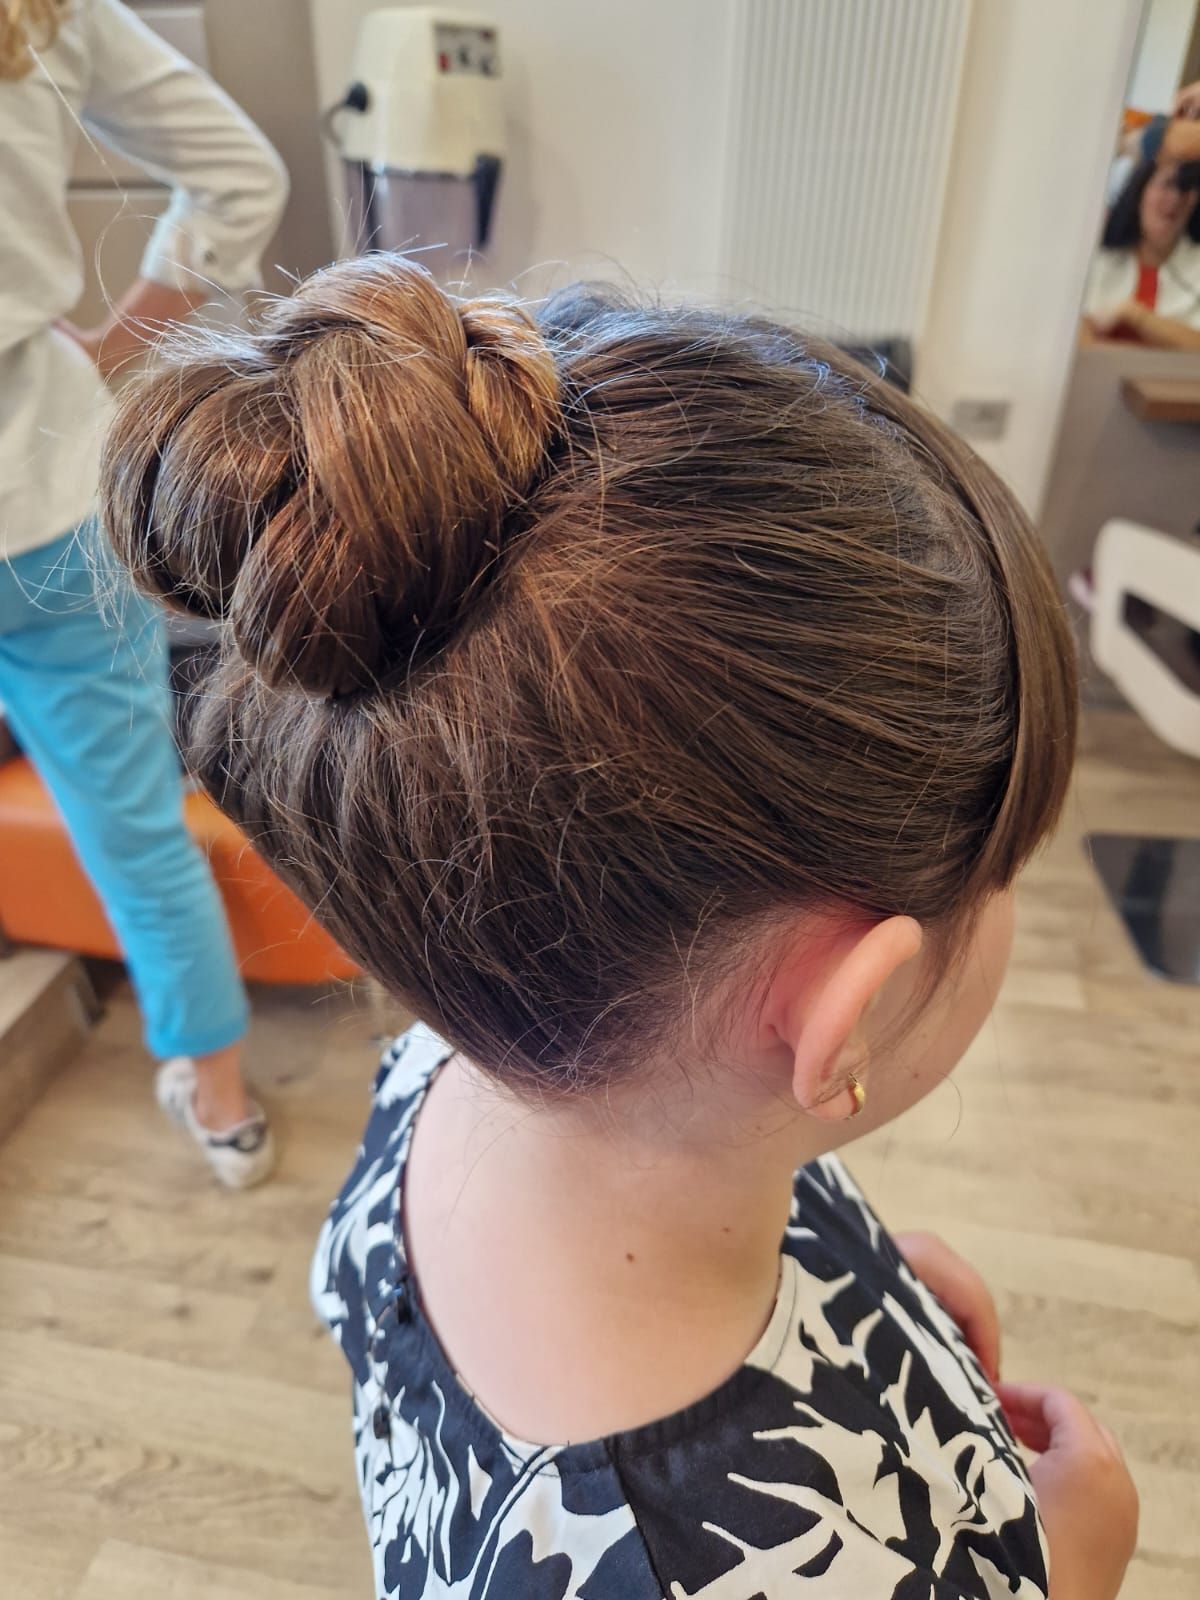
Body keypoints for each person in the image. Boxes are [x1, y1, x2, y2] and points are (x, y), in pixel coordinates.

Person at [100, 255, 1139, 1599]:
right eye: (1007, 865)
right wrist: (1069, 1574)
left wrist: (873, 1293)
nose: (1006, 898)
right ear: (852, 1017)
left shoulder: (464, 1064)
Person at [0, 0, 288, 1185]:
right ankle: (222, 1106)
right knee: (133, 826)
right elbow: (240, 171)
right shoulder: (40, 14)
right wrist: (114, 346)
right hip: (50, 484)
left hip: (57, 491)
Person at [1082, 158, 1200, 347]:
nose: (1175, 198)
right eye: (1167, 185)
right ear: (1140, 190)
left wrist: (1134, 315)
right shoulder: (1096, 258)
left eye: (1186, 188)